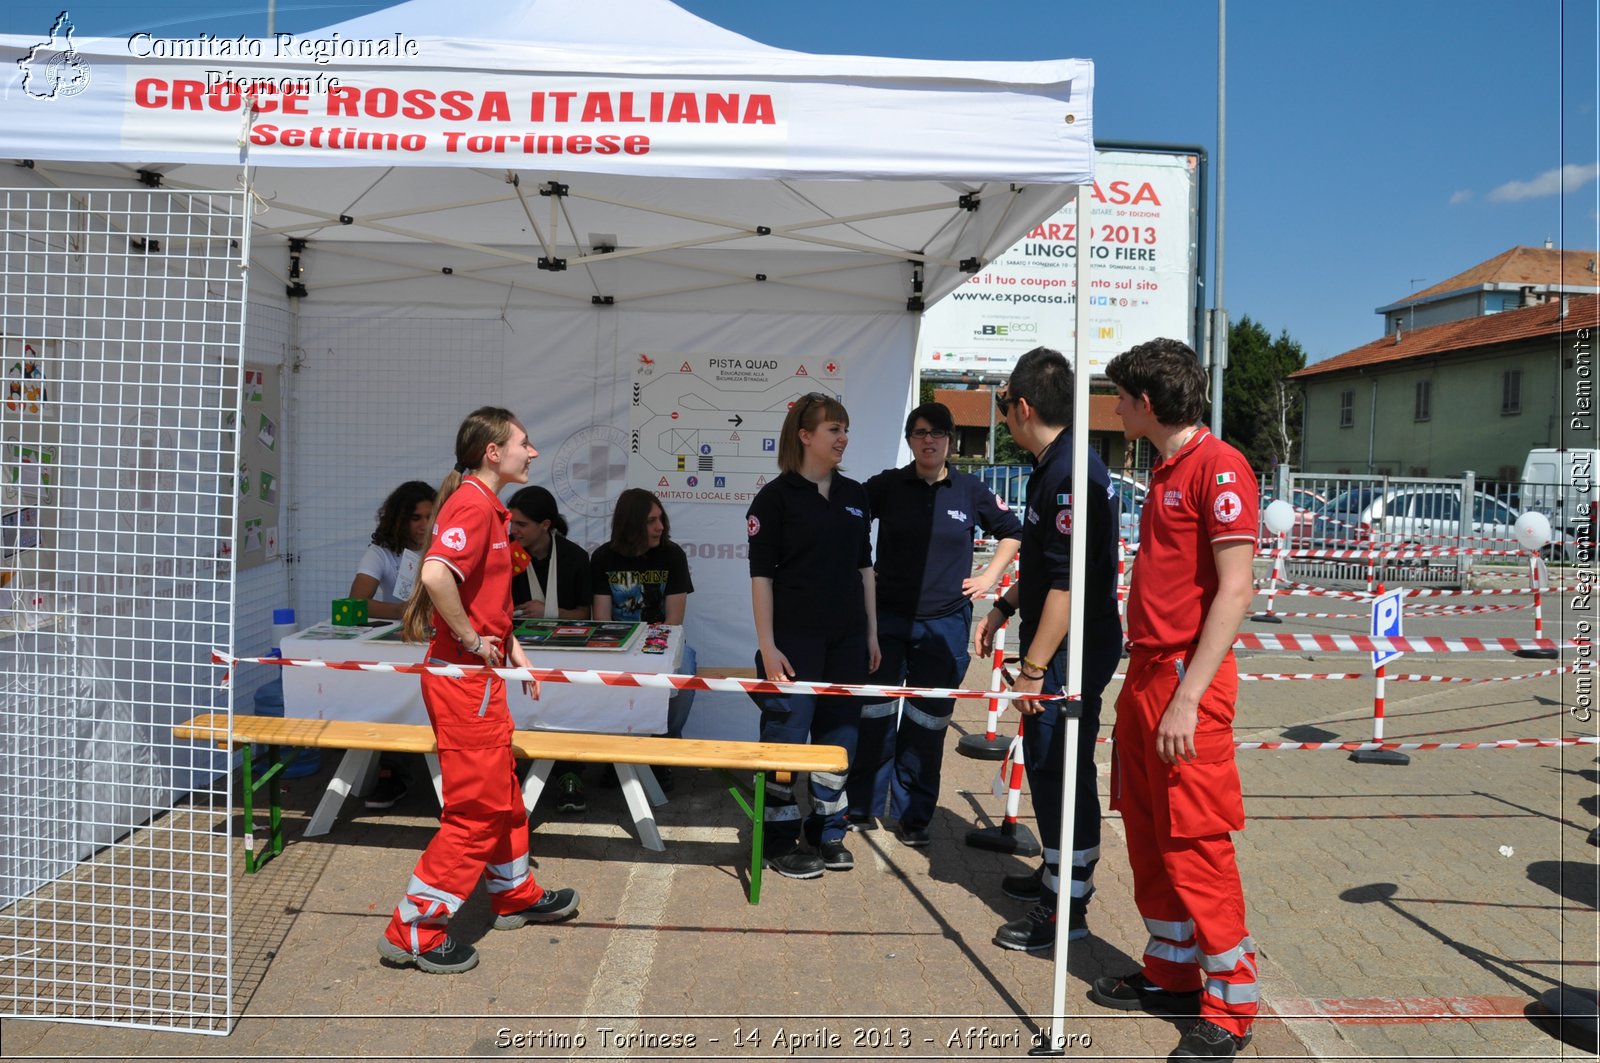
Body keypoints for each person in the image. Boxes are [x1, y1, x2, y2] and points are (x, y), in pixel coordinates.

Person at [1092, 338, 1259, 1062]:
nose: (1116, 407)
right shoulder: (1164, 465)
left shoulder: (1218, 466)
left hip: (1185, 679)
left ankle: (1231, 1003)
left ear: (1148, 403)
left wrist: (1188, 697)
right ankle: (1171, 970)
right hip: (1146, 674)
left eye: (1121, 396)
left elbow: (1237, 588)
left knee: (1195, 840)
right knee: (1149, 832)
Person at [378, 406, 579, 976]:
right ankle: (413, 929)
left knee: (503, 796)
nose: (532, 451)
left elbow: (489, 605)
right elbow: (437, 577)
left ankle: (514, 893)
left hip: (480, 682)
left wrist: (517, 657)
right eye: (524, 442)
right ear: (493, 452)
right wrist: (470, 641)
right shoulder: (471, 504)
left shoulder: (490, 509)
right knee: (475, 811)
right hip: (464, 684)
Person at [973, 347, 1121, 952]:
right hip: (1059, 643)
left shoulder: (1069, 472)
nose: (1003, 415)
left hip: (1069, 653)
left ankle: (1067, 908)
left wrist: (1032, 670)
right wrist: (1006, 606)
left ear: (1024, 406)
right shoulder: (1056, 463)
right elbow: (1046, 564)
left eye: (1004, 404)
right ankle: (1055, 878)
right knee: (1048, 768)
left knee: (1062, 773)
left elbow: (1067, 584)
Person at [845, 402, 1021, 846]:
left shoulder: (970, 490)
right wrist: (861, 567)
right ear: (909, 440)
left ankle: (914, 817)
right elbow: (844, 519)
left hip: (944, 625)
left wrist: (989, 577)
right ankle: (862, 806)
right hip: (885, 620)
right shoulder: (887, 485)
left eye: (938, 433)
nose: (929, 440)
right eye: (920, 432)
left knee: (927, 724)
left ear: (950, 439)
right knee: (875, 715)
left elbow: (1014, 531)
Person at [744, 392, 879, 879]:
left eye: (845, 430)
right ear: (805, 435)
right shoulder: (773, 499)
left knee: (839, 739)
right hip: (793, 642)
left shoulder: (855, 494)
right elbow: (762, 578)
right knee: (786, 737)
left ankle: (828, 830)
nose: (843, 439)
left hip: (847, 639)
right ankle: (777, 839)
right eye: (833, 430)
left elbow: (865, 568)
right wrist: (768, 644)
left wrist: (871, 633)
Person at [590, 488, 696, 789]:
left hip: (662, 643)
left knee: (686, 668)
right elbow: (602, 620)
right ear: (631, 523)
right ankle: (620, 752)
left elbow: (675, 623)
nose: (660, 527)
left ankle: (662, 751)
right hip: (618, 644)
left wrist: (650, 652)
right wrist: (624, 652)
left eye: (660, 519)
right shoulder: (603, 557)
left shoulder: (672, 555)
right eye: (651, 521)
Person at [348, 479, 435, 809]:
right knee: (390, 700)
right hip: (400, 645)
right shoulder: (382, 551)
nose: (424, 525)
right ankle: (392, 771)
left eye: (430, 516)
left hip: (445, 641)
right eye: (416, 518)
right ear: (399, 520)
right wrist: (404, 612)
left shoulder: (446, 543)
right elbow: (356, 602)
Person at [506, 485, 592, 814]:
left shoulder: (573, 557)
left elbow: (588, 616)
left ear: (545, 524)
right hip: (518, 651)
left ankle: (570, 772)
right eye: (512, 523)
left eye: (522, 524)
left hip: (567, 652)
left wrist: (550, 613)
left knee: (571, 706)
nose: (514, 530)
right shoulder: (505, 556)